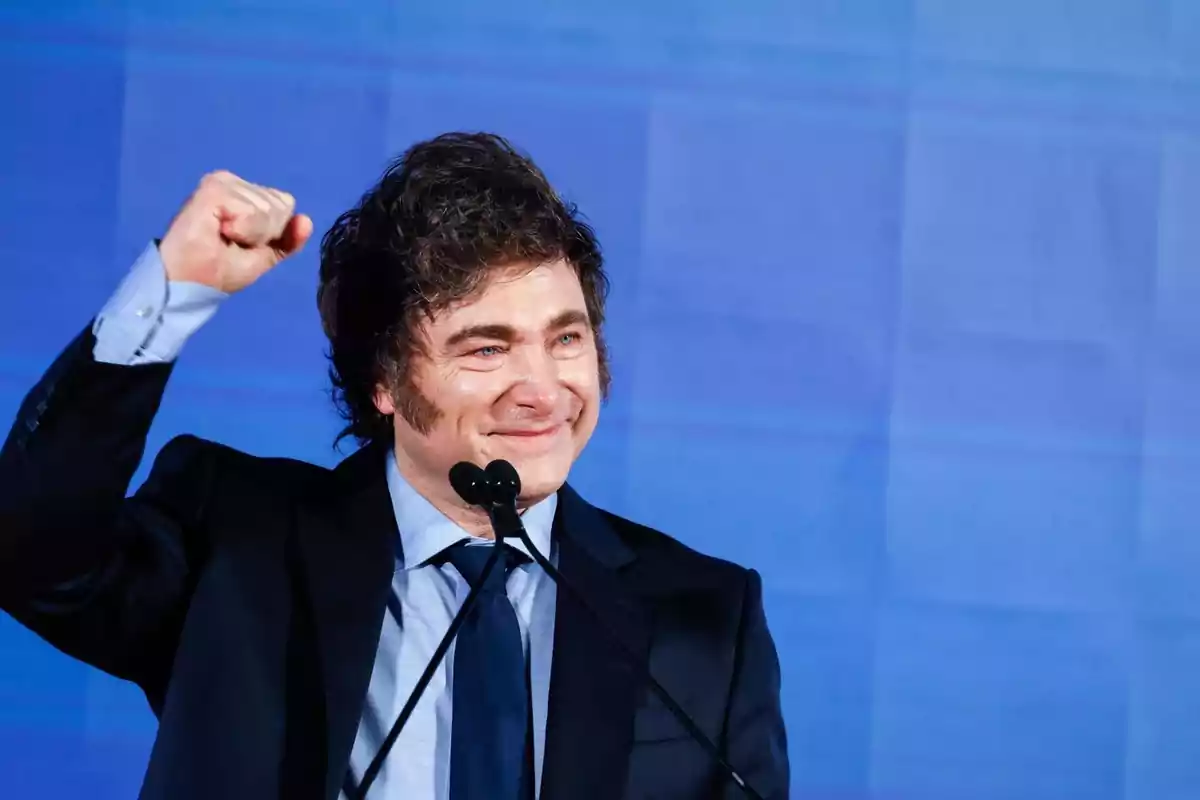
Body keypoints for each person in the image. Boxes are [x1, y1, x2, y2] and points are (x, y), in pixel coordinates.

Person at [0, 132, 788, 800]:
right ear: (384, 381)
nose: (544, 390)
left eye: (567, 337)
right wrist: (173, 291)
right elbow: (30, 549)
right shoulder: (235, 543)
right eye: (486, 348)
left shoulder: (707, 620)